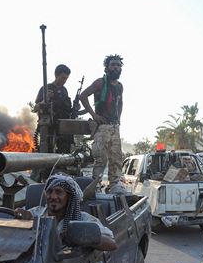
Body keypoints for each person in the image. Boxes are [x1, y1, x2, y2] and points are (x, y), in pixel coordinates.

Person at [15, 173, 118, 251]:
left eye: (59, 192)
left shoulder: (83, 219)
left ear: (69, 197)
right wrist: (21, 219)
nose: (53, 197)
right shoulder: (36, 213)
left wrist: (81, 235)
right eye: (50, 192)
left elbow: (111, 243)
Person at [79, 54, 127, 196]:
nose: (116, 67)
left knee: (116, 157)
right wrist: (94, 115)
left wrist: (118, 118)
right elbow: (83, 96)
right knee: (101, 157)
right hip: (102, 126)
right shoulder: (100, 83)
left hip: (114, 126)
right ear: (107, 67)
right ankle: (96, 185)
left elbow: (121, 102)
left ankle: (114, 184)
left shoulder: (119, 86)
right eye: (113, 65)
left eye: (118, 65)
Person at [34, 64, 73, 153]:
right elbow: (35, 108)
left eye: (66, 78)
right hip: (48, 126)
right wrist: (45, 99)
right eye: (63, 78)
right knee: (47, 150)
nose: (65, 81)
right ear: (56, 75)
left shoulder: (64, 91)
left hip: (62, 126)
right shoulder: (46, 88)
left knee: (64, 150)